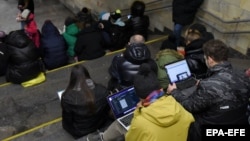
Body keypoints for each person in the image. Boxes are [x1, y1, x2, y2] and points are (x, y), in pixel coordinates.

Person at [167, 39, 250, 141]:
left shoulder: (208, 86)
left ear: (210, 59)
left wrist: (174, 91)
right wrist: (203, 82)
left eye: (205, 57)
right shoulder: (243, 76)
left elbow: (190, 106)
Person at [87, 63, 194, 141]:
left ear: (140, 98)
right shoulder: (178, 106)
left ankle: (102, 138)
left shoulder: (140, 122)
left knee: (121, 125)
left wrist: (139, 111)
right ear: (160, 89)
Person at [61, 64, 112, 139]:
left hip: (79, 131)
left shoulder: (67, 98)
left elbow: (67, 119)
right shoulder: (102, 90)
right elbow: (106, 110)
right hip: (99, 124)